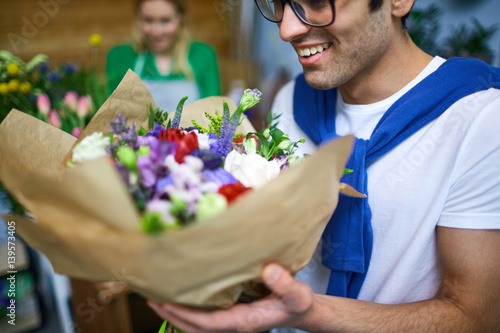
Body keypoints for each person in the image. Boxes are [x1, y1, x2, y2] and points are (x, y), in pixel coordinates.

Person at [147, 0, 500, 331]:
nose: (286, 29)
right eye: (278, 4)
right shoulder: (291, 101)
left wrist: (312, 313)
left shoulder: (479, 119)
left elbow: (475, 316)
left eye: (317, 1)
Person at [106, 0, 221, 112]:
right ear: (138, 18)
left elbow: (213, 111)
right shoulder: (121, 56)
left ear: (181, 18)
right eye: (148, 20)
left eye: (165, 21)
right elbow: (112, 115)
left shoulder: (202, 55)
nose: (156, 32)